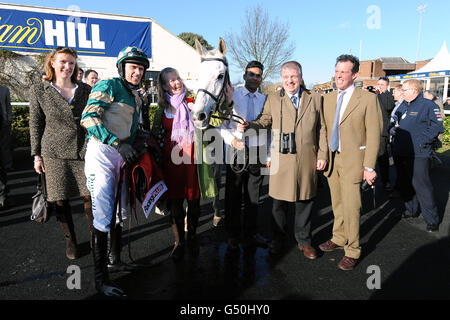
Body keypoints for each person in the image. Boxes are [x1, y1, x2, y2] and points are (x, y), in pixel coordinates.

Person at [240, 61, 328, 259]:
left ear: (301, 77)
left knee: (305, 201)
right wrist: (249, 126)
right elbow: (264, 121)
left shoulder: (314, 98)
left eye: (294, 76)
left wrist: (322, 154)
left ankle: (304, 242)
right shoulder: (273, 98)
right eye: (286, 77)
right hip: (282, 158)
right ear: (282, 78)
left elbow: (322, 128)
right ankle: (278, 239)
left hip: (307, 158)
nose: (290, 81)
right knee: (278, 203)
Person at [81, 46, 149, 297]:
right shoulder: (107, 85)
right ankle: (100, 279)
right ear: (122, 68)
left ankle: (115, 259)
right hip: (102, 153)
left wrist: (143, 140)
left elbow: (134, 128)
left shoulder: (138, 96)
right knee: (102, 214)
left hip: (122, 155)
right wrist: (118, 144)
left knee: (120, 211)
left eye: (141, 68)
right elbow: (88, 118)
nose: (137, 72)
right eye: (133, 67)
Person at [149, 67, 232, 261]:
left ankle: (192, 235)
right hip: (171, 163)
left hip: (194, 160)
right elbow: (154, 135)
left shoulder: (195, 101)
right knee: (176, 205)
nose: (176, 83)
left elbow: (218, 119)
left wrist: (228, 101)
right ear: (163, 86)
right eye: (171, 81)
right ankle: (179, 241)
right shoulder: (161, 109)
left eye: (177, 78)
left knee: (194, 203)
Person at [29, 47, 93, 260]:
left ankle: (96, 237)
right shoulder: (40, 89)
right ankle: (70, 240)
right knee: (60, 199)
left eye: (72, 63)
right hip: (53, 152)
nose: (68, 66)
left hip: (83, 149)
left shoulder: (85, 89)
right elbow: (36, 123)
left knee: (90, 197)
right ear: (53, 63)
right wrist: (36, 155)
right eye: (63, 62)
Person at [320, 54, 382, 270]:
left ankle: (353, 249)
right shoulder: (327, 99)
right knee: (337, 204)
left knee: (352, 207)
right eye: (337, 71)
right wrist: (322, 156)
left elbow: (374, 134)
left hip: (354, 161)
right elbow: (324, 130)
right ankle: (338, 238)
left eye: (343, 71)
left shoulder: (367, 99)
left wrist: (369, 167)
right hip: (332, 160)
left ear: (354, 74)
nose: (338, 75)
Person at [220, 61, 269, 250]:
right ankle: (232, 234)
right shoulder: (232, 96)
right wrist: (231, 140)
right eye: (251, 74)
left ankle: (251, 233)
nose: (254, 78)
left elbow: (268, 127)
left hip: (256, 152)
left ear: (261, 78)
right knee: (233, 195)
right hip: (236, 150)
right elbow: (221, 126)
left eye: (258, 75)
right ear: (244, 76)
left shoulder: (265, 100)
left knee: (253, 196)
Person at [390, 79, 444, 232]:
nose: (402, 92)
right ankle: (410, 210)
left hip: (419, 153)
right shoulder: (402, 106)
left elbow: (437, 126)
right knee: (405, 183)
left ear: (414, 91)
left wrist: (423, 141)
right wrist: (391, 129)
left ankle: (432, 219)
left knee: (422, 186)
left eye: (404, 90)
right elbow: (394, 122)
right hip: (401, 150)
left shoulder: (428, 105)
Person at [376, 77, 395, 191]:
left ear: (387, 85)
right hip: (370, 130)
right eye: (378, 84)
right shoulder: (375, 95)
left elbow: (388, 106)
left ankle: (385, 180)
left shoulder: (388, 95)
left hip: (382, 132)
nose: (380, 86)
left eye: (382, 84)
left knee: (382, 158)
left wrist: (382, 93)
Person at [0, 85, 12, 209]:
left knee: (3, 164)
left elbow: (8, 107)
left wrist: (8, 121)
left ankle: (3, 196)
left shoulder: (4, 90)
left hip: (2, 129)